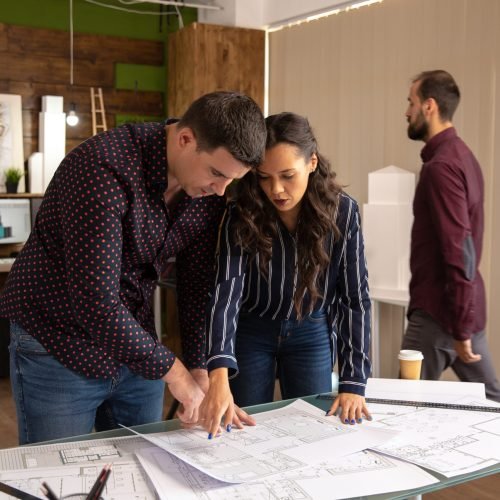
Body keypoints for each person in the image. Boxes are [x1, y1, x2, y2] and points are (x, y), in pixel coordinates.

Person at [0, 91, 267, 444]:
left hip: (133, 344)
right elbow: (95, 303)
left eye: (231, 180)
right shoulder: (102, 168)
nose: (221, 191)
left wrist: (200, 370)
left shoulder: (206, 192)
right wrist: (177, 375)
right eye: (217, 173)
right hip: (56, 341)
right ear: (185, 139)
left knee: (146, 467)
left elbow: (196, 282)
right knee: (57, 477)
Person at [199, 112, 372, 438]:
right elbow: (227, 290)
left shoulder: (343, 211)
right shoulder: (241, 210)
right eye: (264, 177)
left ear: (312, 163)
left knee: (311, 433)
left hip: (312, 333)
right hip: (252, 332)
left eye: (287, 175)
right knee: (245, 432)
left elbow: (354, 297)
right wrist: (218, 372)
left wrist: (353, 382)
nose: (276, 189)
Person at [402, 70, 500, 402]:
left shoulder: (440, 167)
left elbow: (458, 249)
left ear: (429, 106)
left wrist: (460, 326)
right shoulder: (463, 157)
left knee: (405, 404)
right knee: (492, 400)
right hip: (461, 308)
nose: (407, 112)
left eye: (410, 103)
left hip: (439, 311)